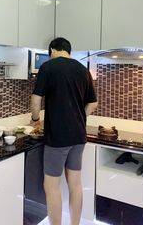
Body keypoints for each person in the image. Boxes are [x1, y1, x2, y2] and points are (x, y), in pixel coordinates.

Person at [30, 37, 97, 225]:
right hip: (78, 136)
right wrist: (80, 116)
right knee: (75, 185)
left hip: (58, 138)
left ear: (52, 50)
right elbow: (93, 102)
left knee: (51, 187)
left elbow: (36, 101)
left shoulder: (48, 67)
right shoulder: (83, 70)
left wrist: (35, 120)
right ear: (69, 51)